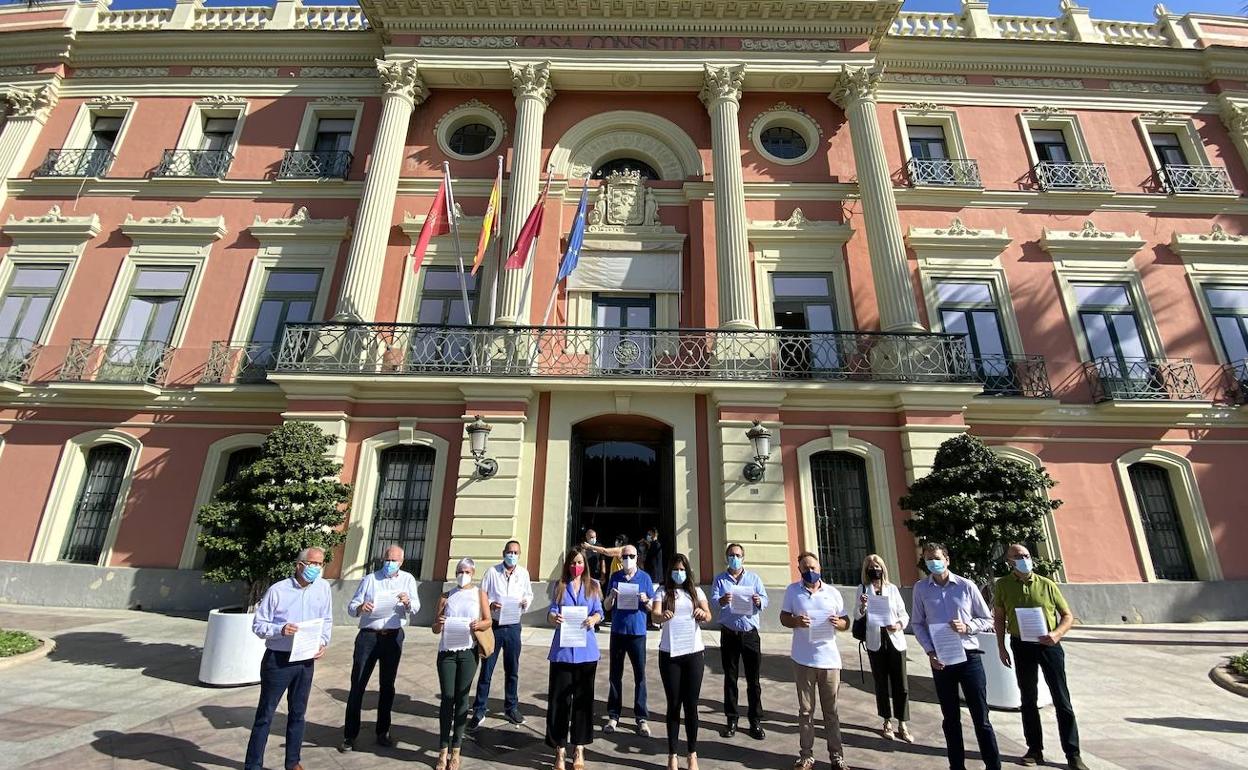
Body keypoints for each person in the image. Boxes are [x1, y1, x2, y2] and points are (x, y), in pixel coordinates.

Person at [994, 544, 1087, 770]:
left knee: (1062, 700)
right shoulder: (1003, 585)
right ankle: (1034, 749)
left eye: (1026, 555)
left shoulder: (1047, 584)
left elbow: (1067, 615)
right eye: (1018, 557)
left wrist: (1057, 634)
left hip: (1049, 647)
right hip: (1021, 645)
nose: (1024, 559)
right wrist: (1001, 647)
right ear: (1009, 561)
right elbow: (999, 617)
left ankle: (1073, 754)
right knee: (1028, 698)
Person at [912, 542, 1001, 770]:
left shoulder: (965, 586)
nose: (933, 562)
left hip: (969, 657)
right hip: (941, 660)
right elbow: (918, 623)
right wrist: (929, 652)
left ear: (947, 559)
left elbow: (987, 619)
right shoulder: (920, 589)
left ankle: (993, 765)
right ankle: (956, 766)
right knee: (950, 719)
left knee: (981, 718)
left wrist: (968, 627)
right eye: (928, 559)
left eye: (937, 558)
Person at [244, 546, 333, 770]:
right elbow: (259, 625)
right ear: (299, 565)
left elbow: (326, 620)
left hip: (305, 661)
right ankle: (253, 765)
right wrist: (280, 629)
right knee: (265, 714)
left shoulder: (323, 588)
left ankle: (293, 762)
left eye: (320, 564)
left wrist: (323, 642)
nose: (316, 568)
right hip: (279, 660)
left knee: (298, 713)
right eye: (312, 564)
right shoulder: (278, 590)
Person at [341, 544, 419, 752]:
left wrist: (407, 602)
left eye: (394, 560)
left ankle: (382, 731)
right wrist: (360, 608)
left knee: (387, 685)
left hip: (392, 637)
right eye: (387, 559)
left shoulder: (408, 579)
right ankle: (350, 734)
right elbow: (351, 607)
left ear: (402, 562)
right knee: (358, 684)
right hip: (368, 637)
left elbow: (416, 607)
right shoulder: (369, 579)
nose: (390, 563)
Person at [780, 551, 851, 770]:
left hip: (829, 660)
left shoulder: (832, 593)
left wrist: (838, 623)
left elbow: (846, 621)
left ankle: (837, 756)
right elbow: (783, 618)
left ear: (820, 567)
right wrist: (796, 621)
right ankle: (806, 755)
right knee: (805, 711)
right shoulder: (793, 591)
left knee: (831, 712)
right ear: (799, 569)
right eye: (805, 568)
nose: (810, 571)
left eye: (813, 567)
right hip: (803, 659)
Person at [652, 553, 711, 770]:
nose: (679, 573)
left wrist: (702, 614)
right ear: (670, 572)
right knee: (673, 705)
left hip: (693, 652)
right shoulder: (662, 591)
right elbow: (654, 615)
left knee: (691, 705)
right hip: (670, 654)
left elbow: (708, 615)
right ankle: (672, 754)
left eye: (682, 569)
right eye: (675, 569)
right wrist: (661, 616)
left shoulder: (696, 592)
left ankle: (692, 754)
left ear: (687, 571)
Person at [547, 547, 604, 770]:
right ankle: (559, 750)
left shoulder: (594, 586)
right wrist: (554, 617)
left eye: (579, 562)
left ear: (585, 564)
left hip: (586, 652)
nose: (576, 566)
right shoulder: (559, 586)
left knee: (583, 702)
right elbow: (551, 612)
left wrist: (594, 619)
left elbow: (600, 611)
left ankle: (579, 748)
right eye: (572, 563)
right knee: (559, 702)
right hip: (562, 652)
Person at [431, 558, 492, 770]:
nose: (462, 574)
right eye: (459, 570)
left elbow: (488, 620)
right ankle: (443, 749)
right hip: (446, 653)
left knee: (462, 698)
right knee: (447, 698)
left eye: (466, 571)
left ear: (473, 572)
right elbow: (435, 628)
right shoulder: (446, 596)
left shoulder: (479, 594)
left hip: (468, 652)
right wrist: (438, 623)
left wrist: (479, 624)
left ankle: (456, 749)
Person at [469, 540, 534, 729]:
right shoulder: (492, 572)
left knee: (512, 669)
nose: (512, 555)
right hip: (495, 626)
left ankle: (511, 707)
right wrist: (490, 605)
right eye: (510, 551)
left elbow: (529, 594)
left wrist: (524, 602)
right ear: (503, 553)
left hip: (513, 626)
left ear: (519, 555)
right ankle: (479, 709)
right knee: (487, 668)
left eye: (516, 552)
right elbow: (482, 595)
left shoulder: (523, 573)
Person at [710, 542, 769, 740]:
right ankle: (732, 718)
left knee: (754, 680)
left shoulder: (754, 578)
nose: (734, 558)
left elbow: (765, 599)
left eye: (738, 555)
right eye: (731, 555)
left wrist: (759, 601)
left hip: (750, 635)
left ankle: (755, 720)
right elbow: (713, 601)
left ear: (743, 557)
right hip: (729, 634)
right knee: (730, 678)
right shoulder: (720, 579)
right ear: (726, 557)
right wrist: (722, 601)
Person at [853, 553, 912, 743]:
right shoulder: (863, 589)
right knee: (881, 683)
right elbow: (857, 615)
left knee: (900, 684)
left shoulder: (892, 589)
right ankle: (887, 721)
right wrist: (862, 607)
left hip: (895, 640)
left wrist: (899, 625)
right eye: (870, 565)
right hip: (875, 641)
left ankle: (902, 722)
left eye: (876, 565)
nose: (874, 568)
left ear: (882, 567)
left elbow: (904, 614)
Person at [603, 541, 654, 735]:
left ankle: (641, 717)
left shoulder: (645, 578)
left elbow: (652, 609)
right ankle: (613, 715)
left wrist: (646, 600)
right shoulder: (615, 577)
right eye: (624, 556)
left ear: (637, 558)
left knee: (639, 675)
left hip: (638, 633)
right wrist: (612, 597)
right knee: (615, 675)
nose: (628, 559)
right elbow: (606, 607)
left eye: (631, 556)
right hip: (617, 632)